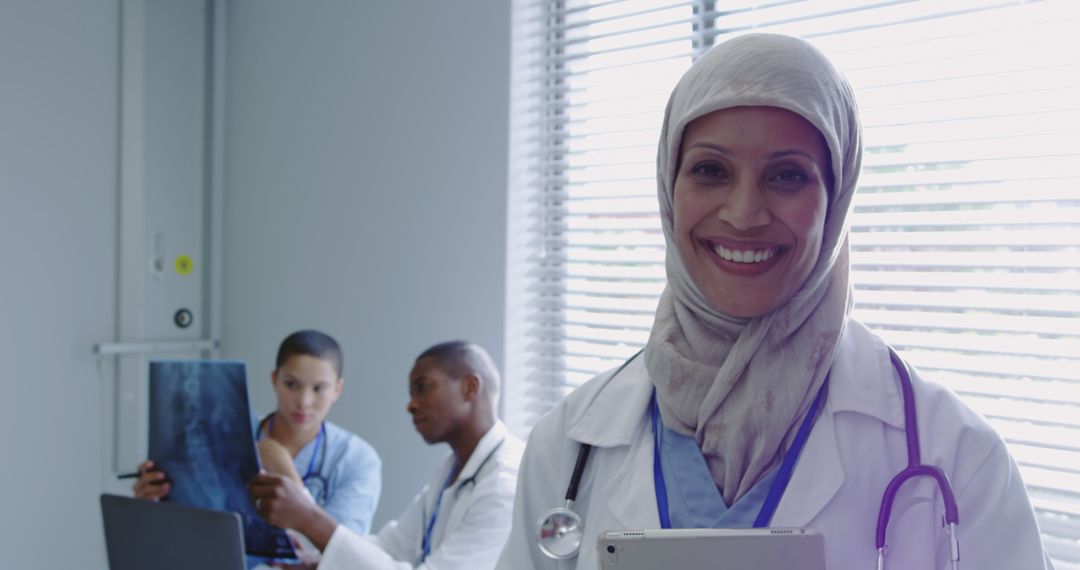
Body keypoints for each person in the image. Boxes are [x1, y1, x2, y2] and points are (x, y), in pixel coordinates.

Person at [495, 33, 1052, 570]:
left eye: (788, 175)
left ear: (836, 200)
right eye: (710, 170)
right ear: (669, 185)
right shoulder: (566, 445)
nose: (743, 213)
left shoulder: (955, 456)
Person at [250, 340, 524, 570]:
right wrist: (317, 564)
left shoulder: (503, 486)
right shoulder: (452, 468)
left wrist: (309, 517)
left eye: (423, 387)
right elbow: (390, 547)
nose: (411, 405)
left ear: (470, 387)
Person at [133, 329, 382, 536]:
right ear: (275, 380)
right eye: (291, 384)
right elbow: (184, 532)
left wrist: (282, 465)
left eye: (319, 388)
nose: (304, 401)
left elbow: (344, 556)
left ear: (338, 390)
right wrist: (153, 504)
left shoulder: (357, 460)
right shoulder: (227, 433)